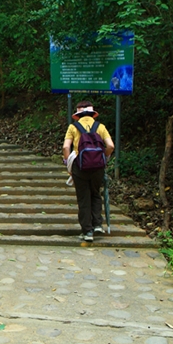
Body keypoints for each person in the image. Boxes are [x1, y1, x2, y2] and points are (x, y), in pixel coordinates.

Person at [62, 101, 115, 241]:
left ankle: (87, 232)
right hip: (98, 167)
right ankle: (97, 224)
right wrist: (103, 156)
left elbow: (66, 148)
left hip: (80, 167)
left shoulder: (73, 127)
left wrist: (68, 164)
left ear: (78, 115)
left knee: (83, 198)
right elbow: (110, 145)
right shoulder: (100, 127)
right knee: (95, 194)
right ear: (92, 114)